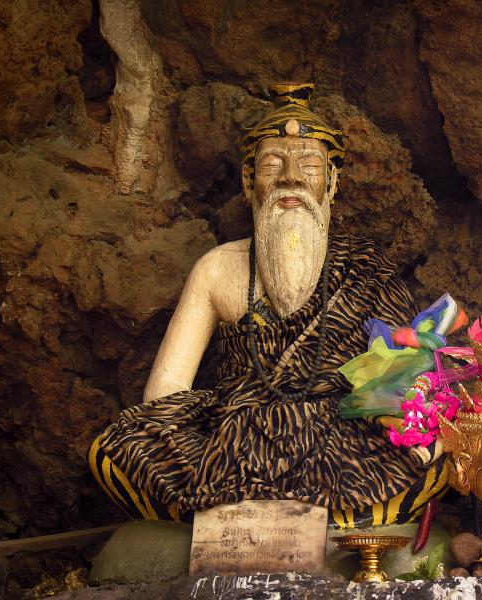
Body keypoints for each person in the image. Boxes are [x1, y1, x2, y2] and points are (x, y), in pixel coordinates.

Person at [88, 83, 446, 528]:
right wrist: (171, 438)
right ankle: (305, 521)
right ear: (248, 181)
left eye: (309, 165)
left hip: (339, 445)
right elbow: (167, 387)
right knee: (112, 454)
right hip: (236, 443)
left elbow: (405, 375)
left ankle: (244, 521)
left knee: (438, 456)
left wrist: (409, 419)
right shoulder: (217, 268)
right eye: (273, 164)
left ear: (332, 182)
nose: (290, 177)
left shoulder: (366, 268)